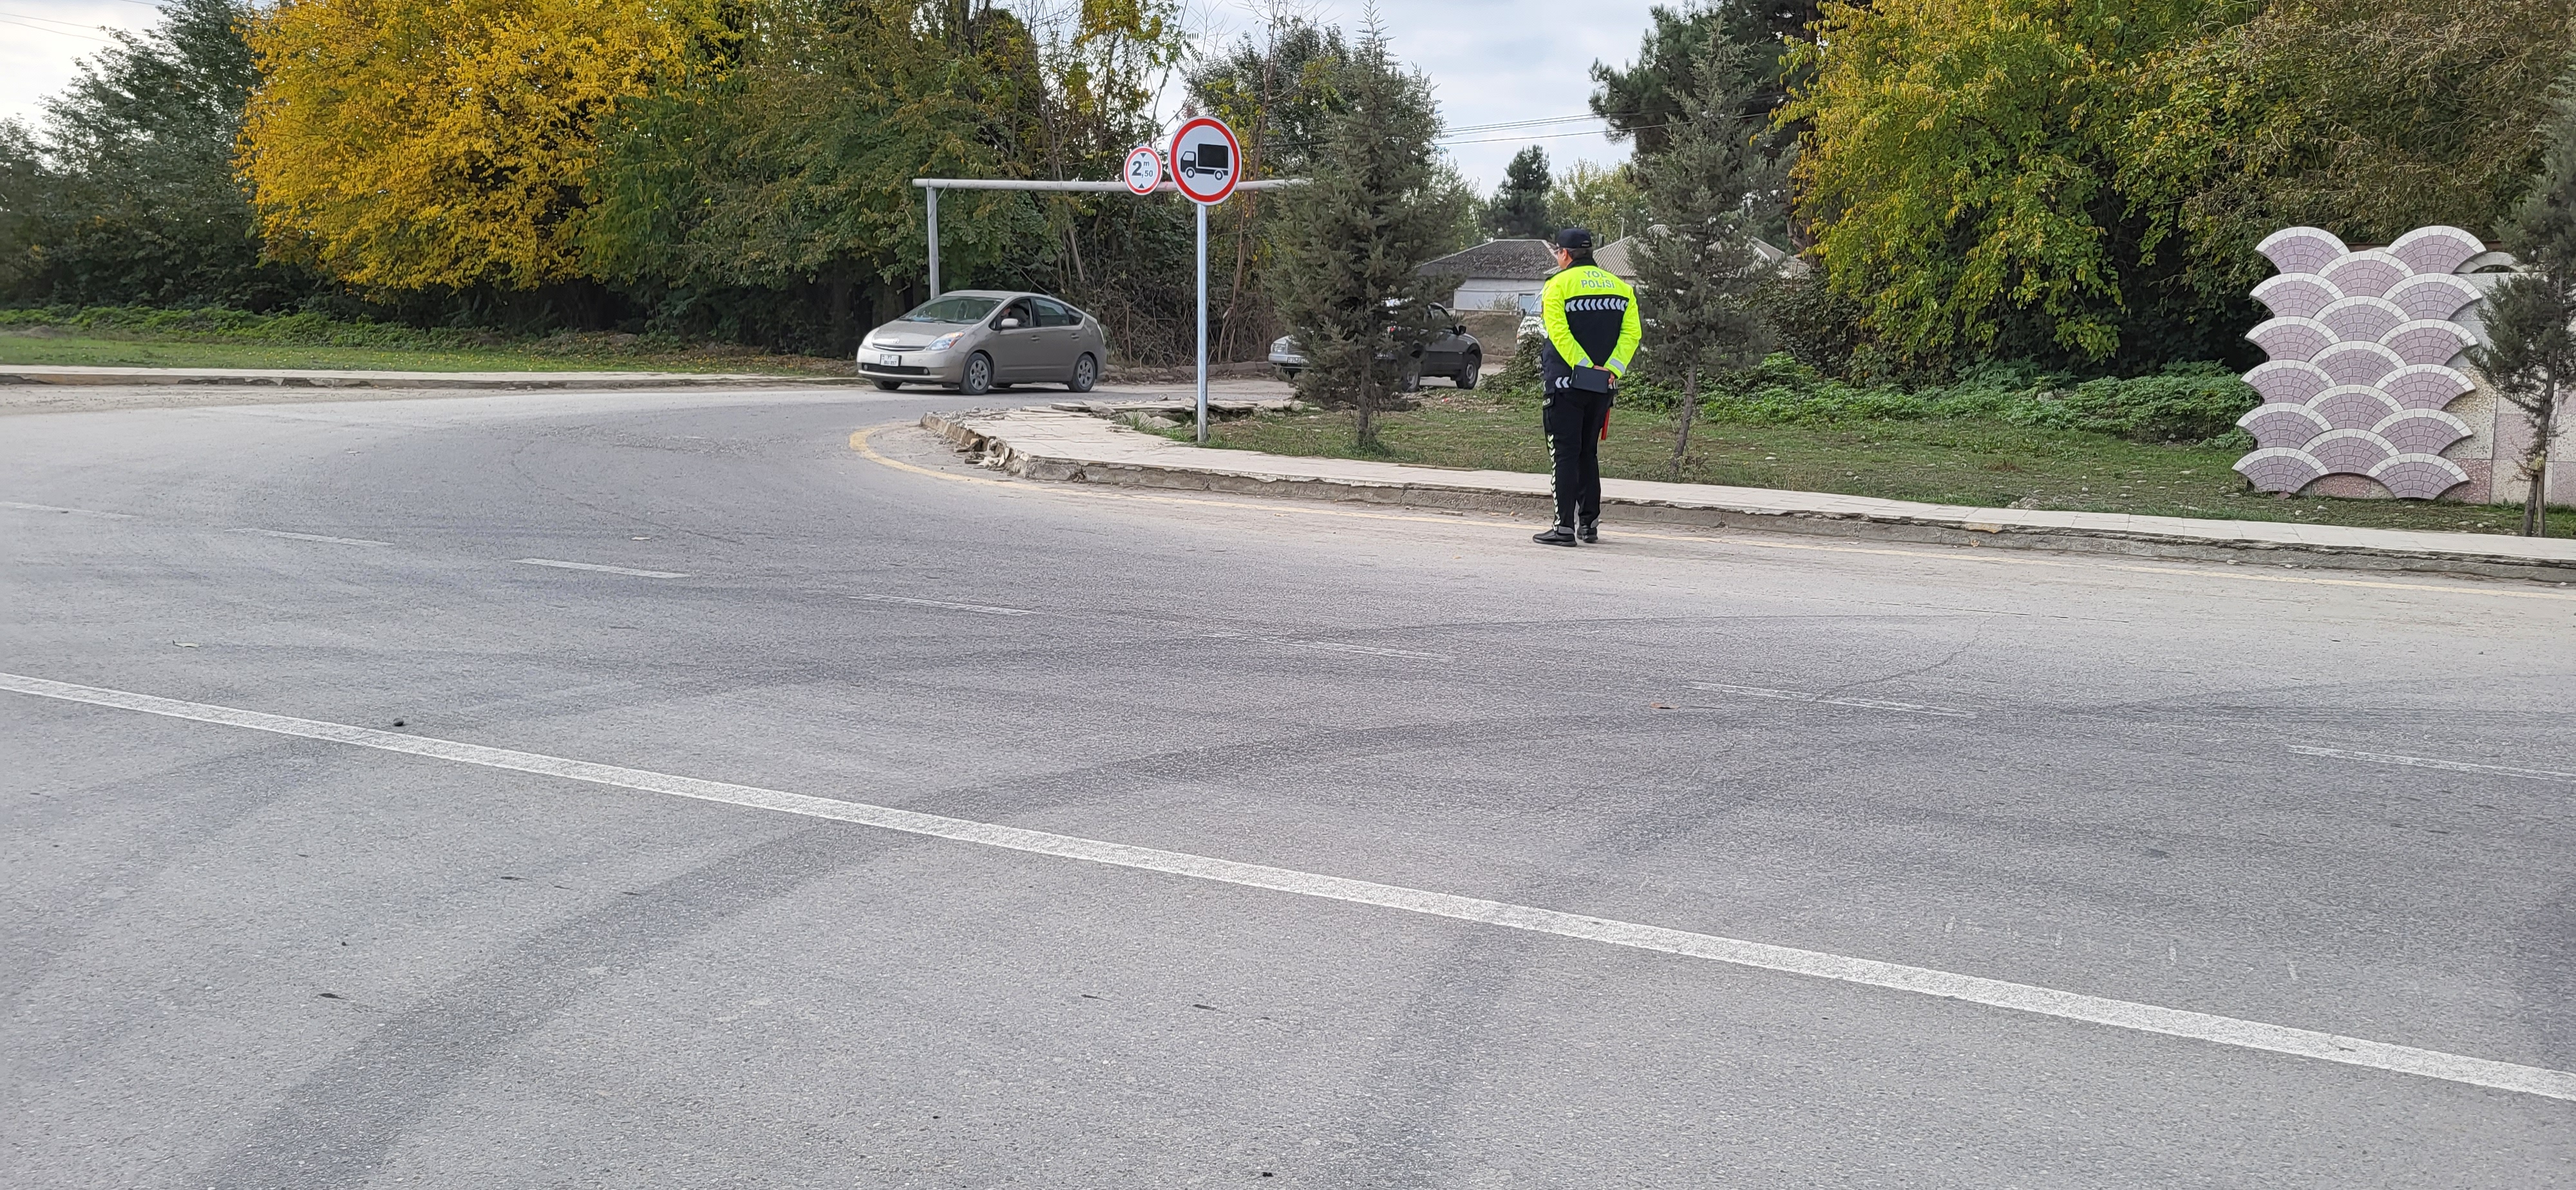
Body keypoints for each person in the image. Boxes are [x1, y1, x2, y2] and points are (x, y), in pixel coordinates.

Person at [1531, 227, 1640, 547]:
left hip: (1566, 385)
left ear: (1564, 254)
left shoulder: (1556, 286)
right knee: (1587, 453)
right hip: (1602, 387)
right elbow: (1631, 335)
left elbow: (1559, 333)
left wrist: (1583, 365)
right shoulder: (1622, 288)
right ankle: (1589, 525)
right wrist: (1611, 370)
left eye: (1557, 254)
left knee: (1564, 455)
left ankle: (1563, 527)